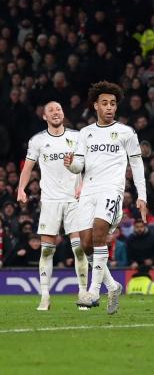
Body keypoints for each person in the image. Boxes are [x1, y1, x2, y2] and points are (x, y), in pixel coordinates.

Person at [66, 81, 149, 314]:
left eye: (113, 103)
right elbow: (79, 165)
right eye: (105, 103)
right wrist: (72, 165)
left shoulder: (126, 132)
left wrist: (142, 195)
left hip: (112, 189)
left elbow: (137, 164)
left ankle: (93, 292)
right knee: (86, 244)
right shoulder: (85, 133)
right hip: (88, 191)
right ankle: (112, 286)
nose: (110, 107)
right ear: (96, 106)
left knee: (100, 232)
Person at [17, 101, 87, 311]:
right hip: (49, 201)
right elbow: (28, 167)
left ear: (63, 113)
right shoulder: (38, 141)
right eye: (51, 110)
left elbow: (87, 165)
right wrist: (21, 189)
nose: (56, 113)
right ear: (44, 116)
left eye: (59, 109)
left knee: (79, 250)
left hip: (74, 200)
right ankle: (45, 296)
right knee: (46, 251)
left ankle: (83, 293)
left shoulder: (77, 137)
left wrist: (82, 185)